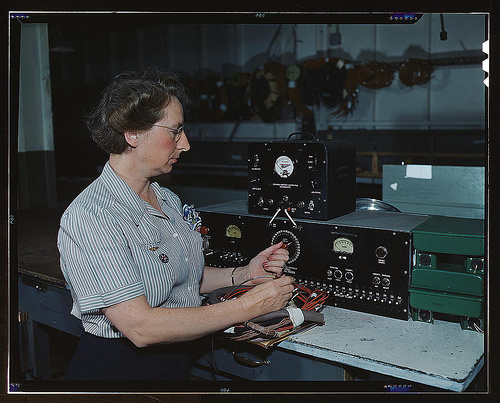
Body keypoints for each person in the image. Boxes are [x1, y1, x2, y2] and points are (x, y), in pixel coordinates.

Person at [57, 69, 293, 381]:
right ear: (132, 133)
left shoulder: (164, 197)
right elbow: (141, 327)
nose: (186, 144)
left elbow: (176, 276)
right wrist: (251, 305)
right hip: (120, 372)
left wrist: (245, 274)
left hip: (174, 366)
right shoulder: (92, 216)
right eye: (175, 131)